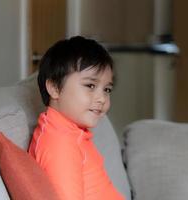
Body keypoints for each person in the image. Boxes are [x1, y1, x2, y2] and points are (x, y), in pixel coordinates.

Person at [28, 36, 125, 200]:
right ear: (54, 88)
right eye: (90, 85)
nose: (102, 98)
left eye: (107, 89)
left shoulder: (71, 132)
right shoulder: (59, 142)